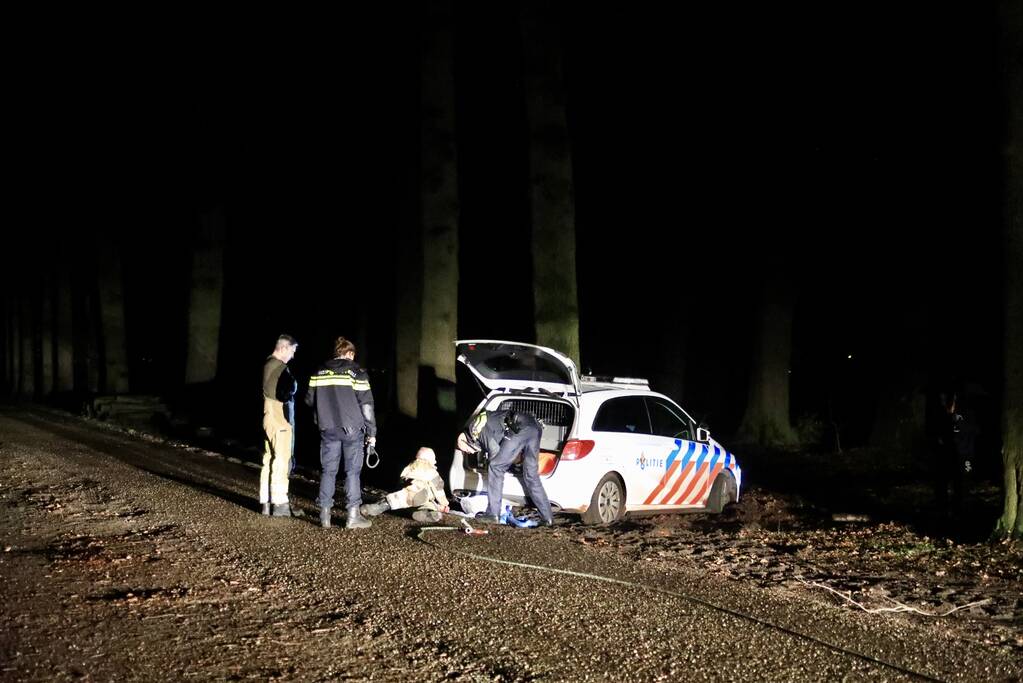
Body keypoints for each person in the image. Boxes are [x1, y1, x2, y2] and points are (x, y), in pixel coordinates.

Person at [305, 337, 377, 529]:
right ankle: (352, 516)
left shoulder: (318, 372)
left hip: (327, 428)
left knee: (328, 471)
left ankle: (324, 515)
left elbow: (309, 400)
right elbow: (367, 406)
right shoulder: (357, 373)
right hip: (352, 430)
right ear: (349, 354)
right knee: (352, 472)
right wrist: (372, 432)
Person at [456, 409, 553, 526]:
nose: (468, 453)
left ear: (466, 440)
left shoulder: (475, 430)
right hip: (534, 427)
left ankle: (492, 514)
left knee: (496, 467)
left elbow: (495, 452)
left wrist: (497, 463)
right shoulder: (481, 425)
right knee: (531, 476)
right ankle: (547, 518)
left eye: (465, 449)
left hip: (520, 427)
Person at [260, 334, 300, 517]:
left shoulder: (266, 364)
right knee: (281, 459)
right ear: (284, 348)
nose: (292, 356)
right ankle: (280, 503)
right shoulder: (281, 368)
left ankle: (265, 502)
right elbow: (288, 391)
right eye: (292, 351)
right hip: (278, 414)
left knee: (268, 459)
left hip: (266, 415)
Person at [360, 447, 450, 523]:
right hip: (420, 495)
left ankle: (375, 508)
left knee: (395, 500)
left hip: (408, 493)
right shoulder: (432, 472)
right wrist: (444, 503)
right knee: (427, 504)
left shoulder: (410, 466)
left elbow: (401, 479)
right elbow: (439, 489)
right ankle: (427, 513)